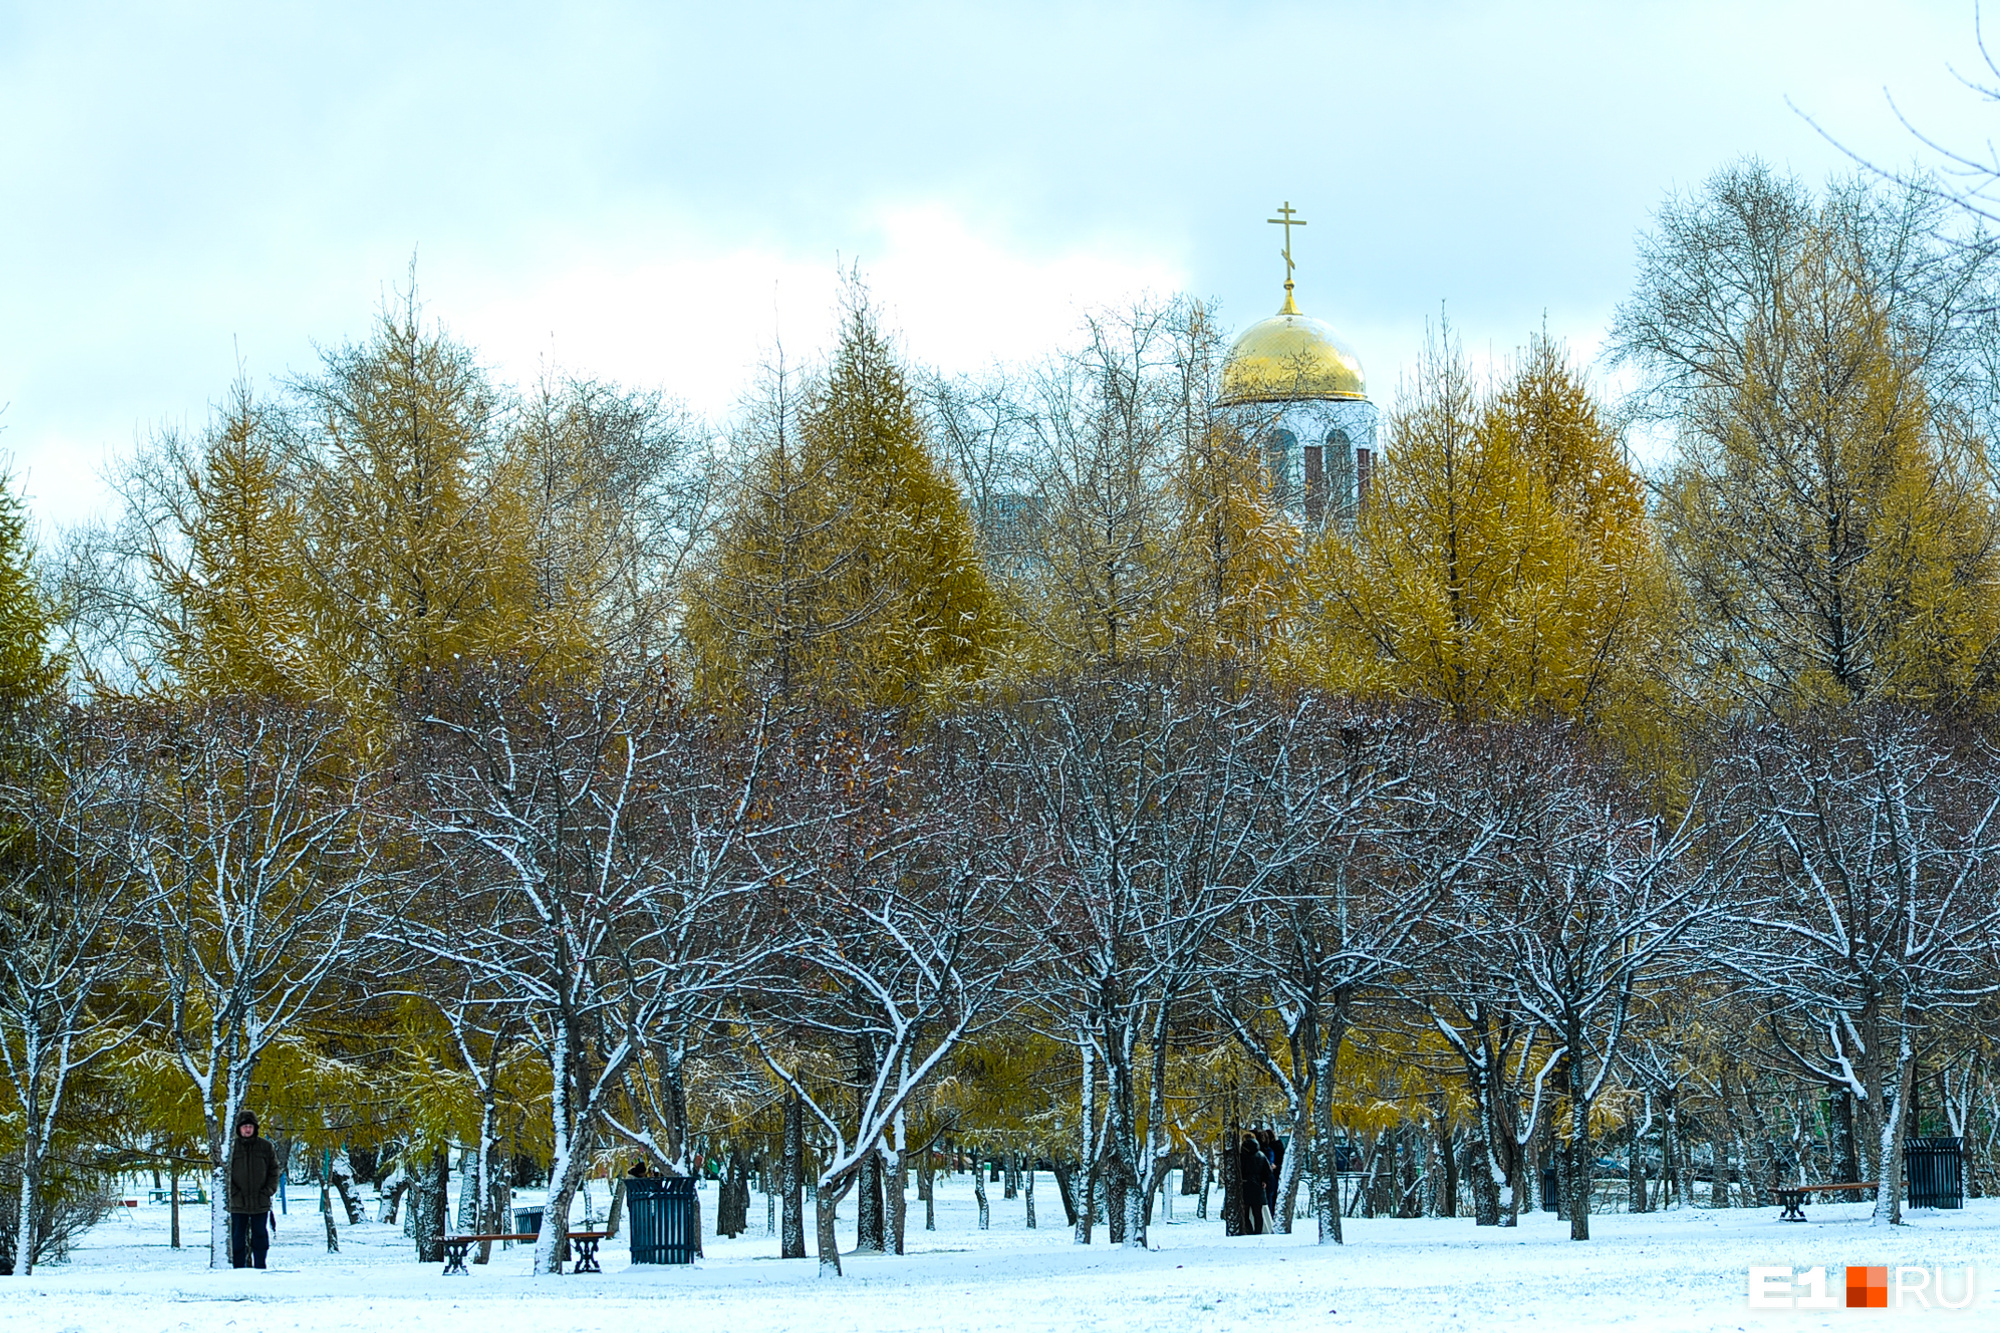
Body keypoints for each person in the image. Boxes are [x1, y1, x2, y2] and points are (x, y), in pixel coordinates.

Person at [227, 1110, 279, 1269]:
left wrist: (268, 1190)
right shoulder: (231, 1147)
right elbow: (224, 1172)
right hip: (238, 1202)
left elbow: (274, 1170)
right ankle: (238, 1267)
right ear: (239, 1129)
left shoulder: (265, 1147)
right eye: (244, 1127)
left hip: (260, 1200)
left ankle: (260, 1265)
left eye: (250, 1126)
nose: (247, 1130)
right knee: (237, 1236)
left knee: (260, 1235)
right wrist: (233, 1192)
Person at [1237, 1133, 1272, 1236]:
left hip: (1245, 1185)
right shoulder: (1261, 1155)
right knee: (1258, 1213)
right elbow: (1267, 1171)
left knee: (1244, 1212)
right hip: (1258, 1186)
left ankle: (1249, 1230)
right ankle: (1258, 1231)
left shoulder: (1240, 1156)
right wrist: (1264, 1181)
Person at [1259, 1129, 1284, 1229]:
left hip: (1272, 1174)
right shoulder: (1277, 1147)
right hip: (1276, 1174)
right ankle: (1271, 1216)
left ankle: (1269, 1217)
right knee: (1272, 1198)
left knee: (1269, 1197)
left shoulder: (1268, 1150)